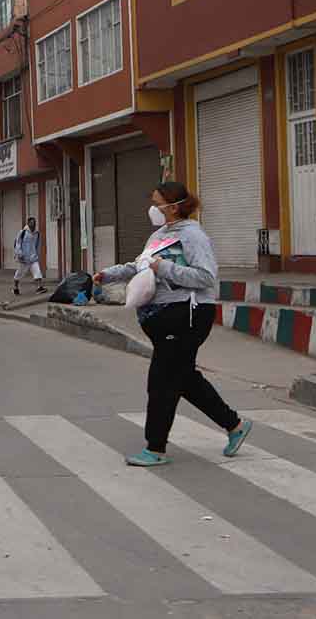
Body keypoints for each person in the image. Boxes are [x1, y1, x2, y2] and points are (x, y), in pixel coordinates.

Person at [95, 181, 253, 468]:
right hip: (162, 316)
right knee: (184, 378)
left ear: (174, 206)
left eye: (158, 203)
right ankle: (235, 425)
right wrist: (108, 275)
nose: (153, 208)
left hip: (187, 315)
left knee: (162, 382)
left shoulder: (194, 236)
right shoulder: (159, 236)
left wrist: (164, 268)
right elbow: (140, 265)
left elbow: (206, 277)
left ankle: (155, 448)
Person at [13, 217, 45, 296]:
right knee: (19, 274)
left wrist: (37, 255)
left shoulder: (37, 233)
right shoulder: (22, 232)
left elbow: (38, 245)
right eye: (31, 222)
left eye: (34, 222)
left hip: (33, 258)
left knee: (37, 272)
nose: (33, 224)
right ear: (28, 223)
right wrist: (20, 254)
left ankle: (39, 287)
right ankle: (15, 287)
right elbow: (18, 243)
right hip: (24, 258)